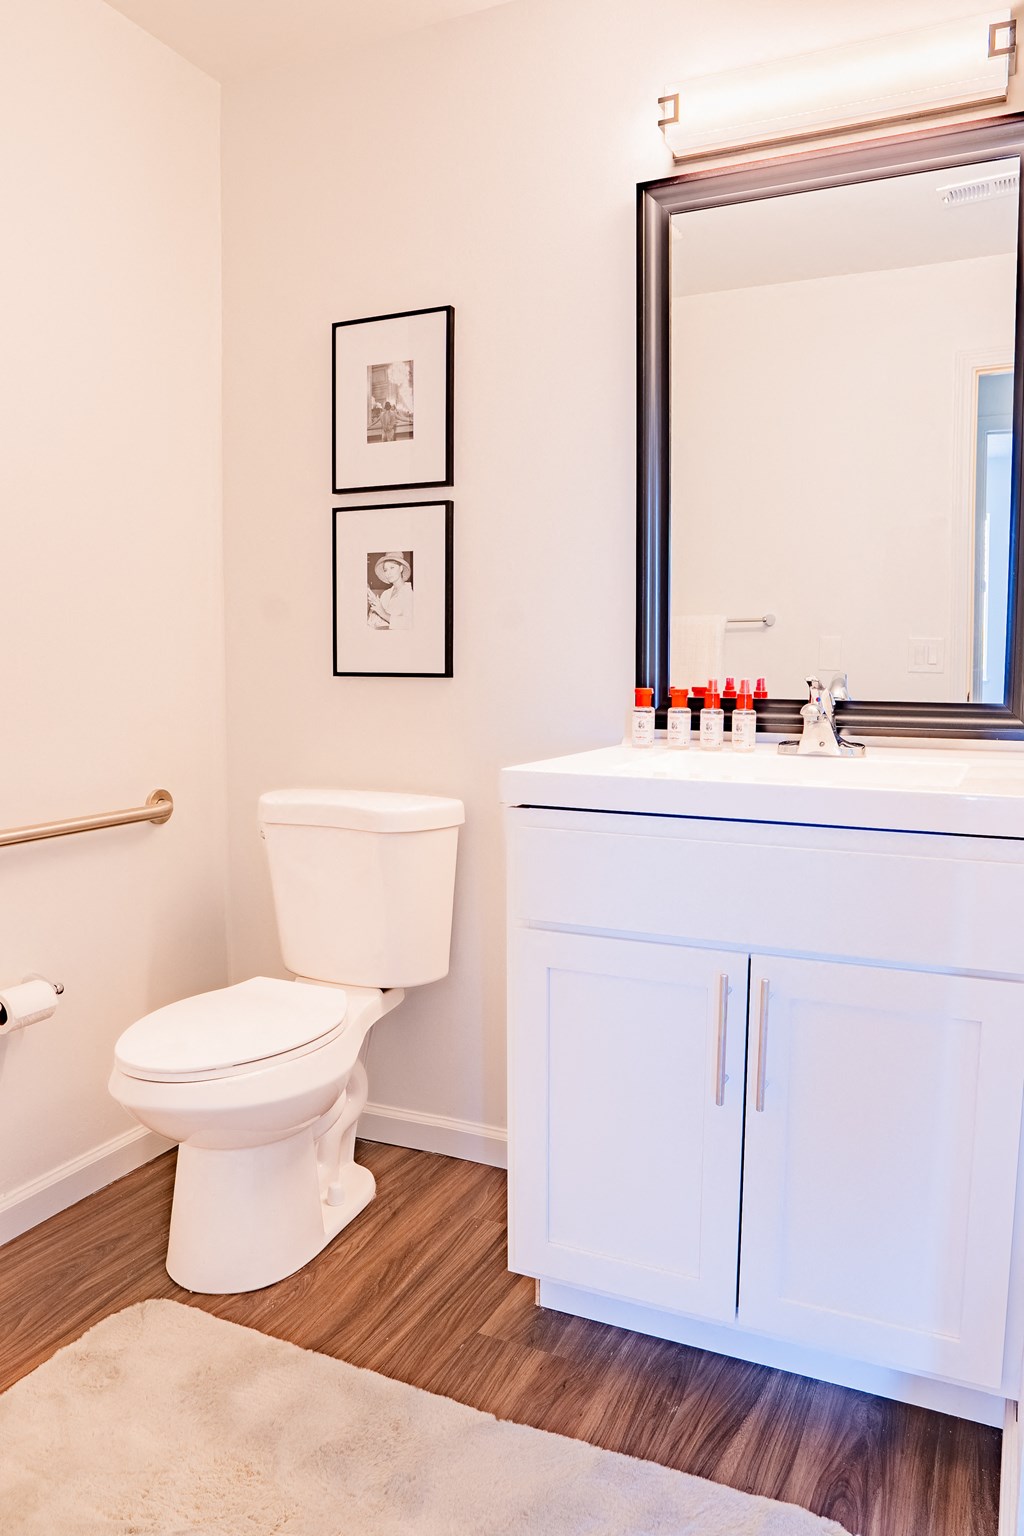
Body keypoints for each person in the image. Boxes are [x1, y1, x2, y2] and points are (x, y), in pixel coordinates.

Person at [367, 552, 413, 630]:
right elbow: (374, 623)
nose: (388, 573)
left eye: (392, 568)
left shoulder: (409, 592)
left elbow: (410, 623)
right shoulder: (386, 594)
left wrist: (383, 613)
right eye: (385, 570)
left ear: (401, 568)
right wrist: (371, 608)